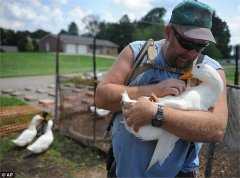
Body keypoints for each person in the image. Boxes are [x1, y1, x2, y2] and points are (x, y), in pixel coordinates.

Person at [95, 0, 228, 177]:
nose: (192, 53)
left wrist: (157, 113)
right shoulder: (137, 52)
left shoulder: (211, 70)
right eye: (187, 43)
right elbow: (101, 97)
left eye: (201, 46)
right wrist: (154, 90)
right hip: (123, 170)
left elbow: (216, 128)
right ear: (168, 32)